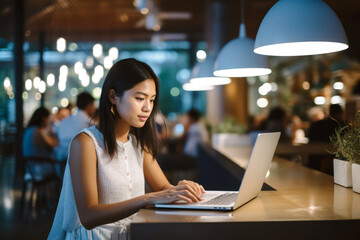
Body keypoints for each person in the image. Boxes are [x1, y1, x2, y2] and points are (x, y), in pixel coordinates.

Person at [48, 58, 205, 239]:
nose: (147, 107)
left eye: (152, 100)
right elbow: (88, 216)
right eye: (139, 98)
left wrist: (181, 189)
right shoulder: (86, 143)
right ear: (113, 96)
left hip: (132, 233)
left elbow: (163, 187)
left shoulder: (139, 144)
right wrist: (147, 198)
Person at [22, 107, 59, 209]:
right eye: (48, 118)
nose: (48, 121)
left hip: (31, 167)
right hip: (37, 169)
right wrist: (52, 132)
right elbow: (53, 144)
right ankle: (52, 203)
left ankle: (43, 199)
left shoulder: (30, 129)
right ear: (43, 118)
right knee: (61, 172)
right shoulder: (37, 132)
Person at [54, 92, 97, 178]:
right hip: (78, 166)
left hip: (59, 164)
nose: (94, 108)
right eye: (93, 105)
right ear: (89, 105)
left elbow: (56, 137)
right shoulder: (89, 123)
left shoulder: (65, 121)